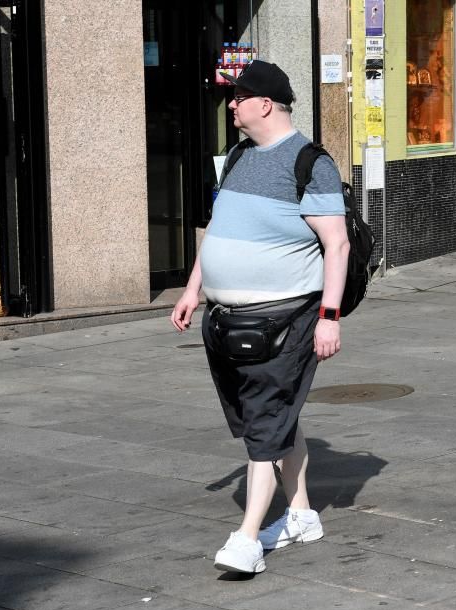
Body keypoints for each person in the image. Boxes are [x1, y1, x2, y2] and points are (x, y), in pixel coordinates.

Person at [170, 60, 349, 574]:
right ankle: (300, 514)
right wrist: (192, 289)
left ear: (265, 104)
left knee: (266, 422)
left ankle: (249, 538)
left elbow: (335, 245)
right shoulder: (240, 156)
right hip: (227, 319)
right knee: (271, 418)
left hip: (285, 319)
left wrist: (329, 317)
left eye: (239, 97)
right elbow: (220, 228)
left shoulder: (310, 163)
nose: (231, 104)